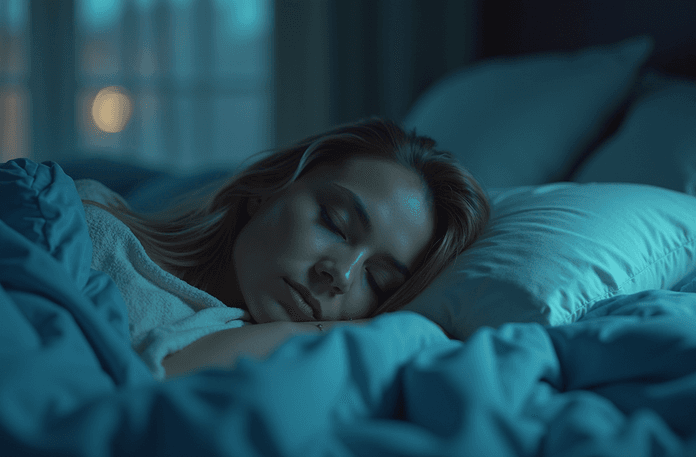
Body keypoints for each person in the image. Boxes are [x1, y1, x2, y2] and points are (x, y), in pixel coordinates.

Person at [80, 117, 490, 379]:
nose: (342, 275)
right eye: (335, 223)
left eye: (378, 280)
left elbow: (161, 389)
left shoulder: (255, 351)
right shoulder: (87, 221)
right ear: (269, 188)